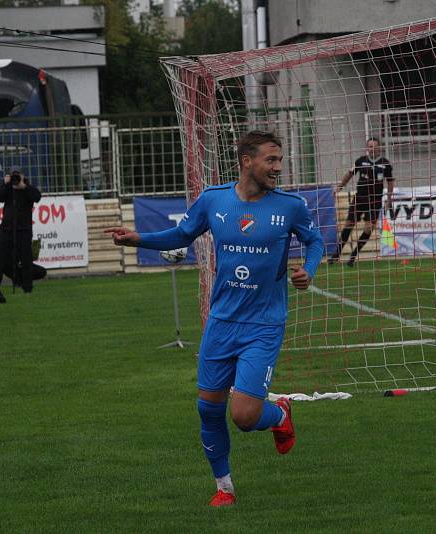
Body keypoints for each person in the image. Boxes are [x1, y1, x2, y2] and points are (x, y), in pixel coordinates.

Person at [104, 130, 324, 507]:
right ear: (246, 161)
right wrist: (137, 239)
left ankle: (279, 413)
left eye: (279, 159)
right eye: (270, 160)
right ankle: (224, 488)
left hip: (264, 324)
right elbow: (182, 234)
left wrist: (308, 269)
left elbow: (315, 240)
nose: (277, 167)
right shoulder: (213, 200)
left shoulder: (290, 206)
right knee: (208, 408)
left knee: (242, 415)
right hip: (221, 321)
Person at [328, 137, 393, 266]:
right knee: (349, 225)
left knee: (369, 229)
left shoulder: (385, 163)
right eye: (370, 146)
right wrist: (340, 186)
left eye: (375, 146)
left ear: (379, 147)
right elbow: (349, 174)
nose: (372, 148)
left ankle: (353, 255)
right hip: (360, 198)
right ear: (367, 148)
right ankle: (336, 254)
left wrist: (389, 199)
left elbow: (390, 182)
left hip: (375, 200)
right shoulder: (360, 161)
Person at [0, 167, 42, 298]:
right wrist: (6, 184)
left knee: (26, 259)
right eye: (14, 176)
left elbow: (37, 197)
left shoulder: (27, 188)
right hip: (6, 229)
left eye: (18, 176)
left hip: (24, 230)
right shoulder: (8, 189)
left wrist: (23, 186)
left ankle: (27, 287)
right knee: (0, 258)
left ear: (23, 176)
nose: (16, 179)